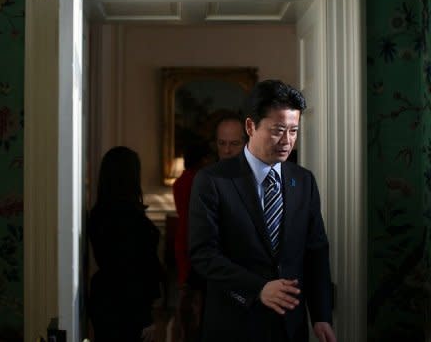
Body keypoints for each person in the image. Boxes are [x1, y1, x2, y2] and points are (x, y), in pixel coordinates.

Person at [189, 80, 336, 342]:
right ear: (250, 126)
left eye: (293, 131)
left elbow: (316, 252)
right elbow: (203, 255)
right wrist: (258, 289)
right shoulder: (212, 180)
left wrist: (322, 315)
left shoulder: (304, 181)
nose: (287, 141)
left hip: (290, 328)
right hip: (234, 324)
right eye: (278, 130)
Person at [88, 146, 163, 342]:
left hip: (105, 298)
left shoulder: (98, 214)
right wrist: (145, 316)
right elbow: (132, 271)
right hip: (127, 306)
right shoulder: (130, 217)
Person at [170, 142, 211, 342]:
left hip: (181, 235)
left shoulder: (179, 182)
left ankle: (185, 331)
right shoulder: (201, 180)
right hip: (196, 235)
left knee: (185, 287)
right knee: (199, 295)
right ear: (203, 159)